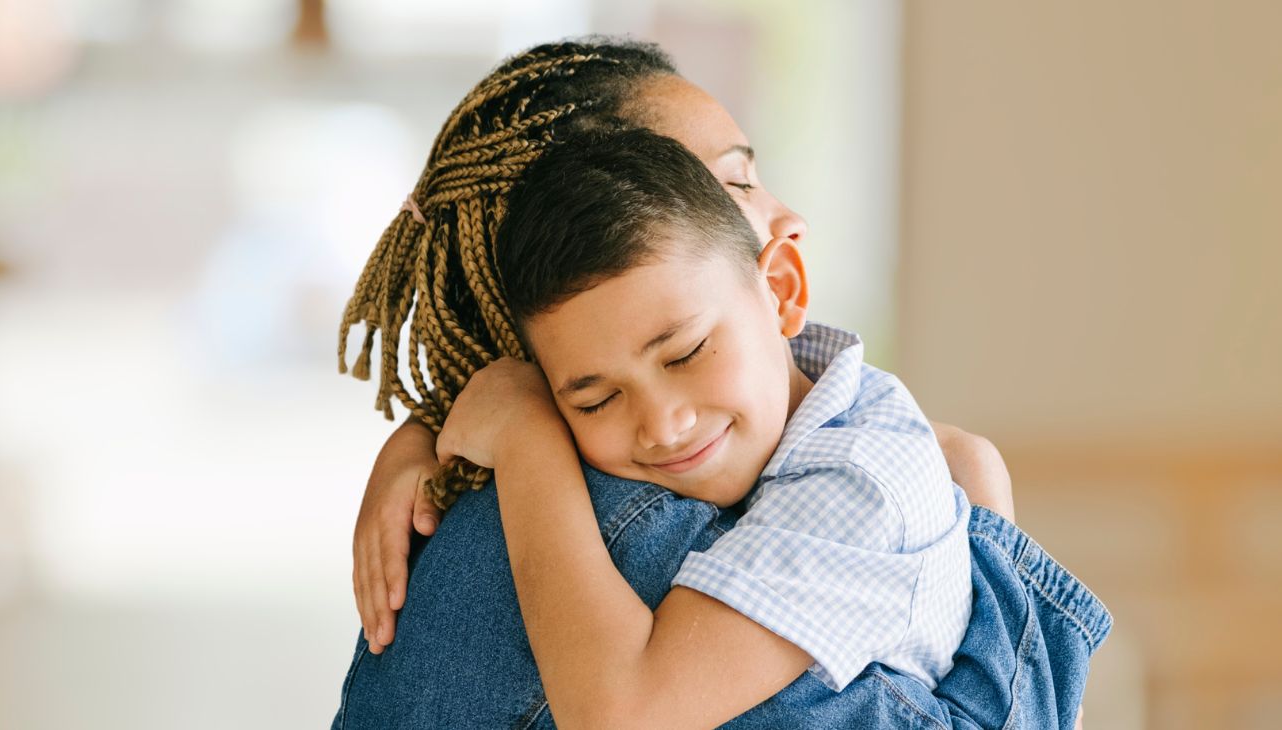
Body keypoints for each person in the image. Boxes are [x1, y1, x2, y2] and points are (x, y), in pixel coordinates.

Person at [333, 37, 1109, 729]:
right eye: (732, 186)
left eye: (685, 351)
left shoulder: (804, 455)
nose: (786, 215)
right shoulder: (606, 531)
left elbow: (935, 459)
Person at [431, 126, 974, 716]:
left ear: (781, 290)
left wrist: (526, 439)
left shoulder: (858, 482)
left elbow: (618, 716)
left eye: (685, 354)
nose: (662, 426)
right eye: (597, 401)